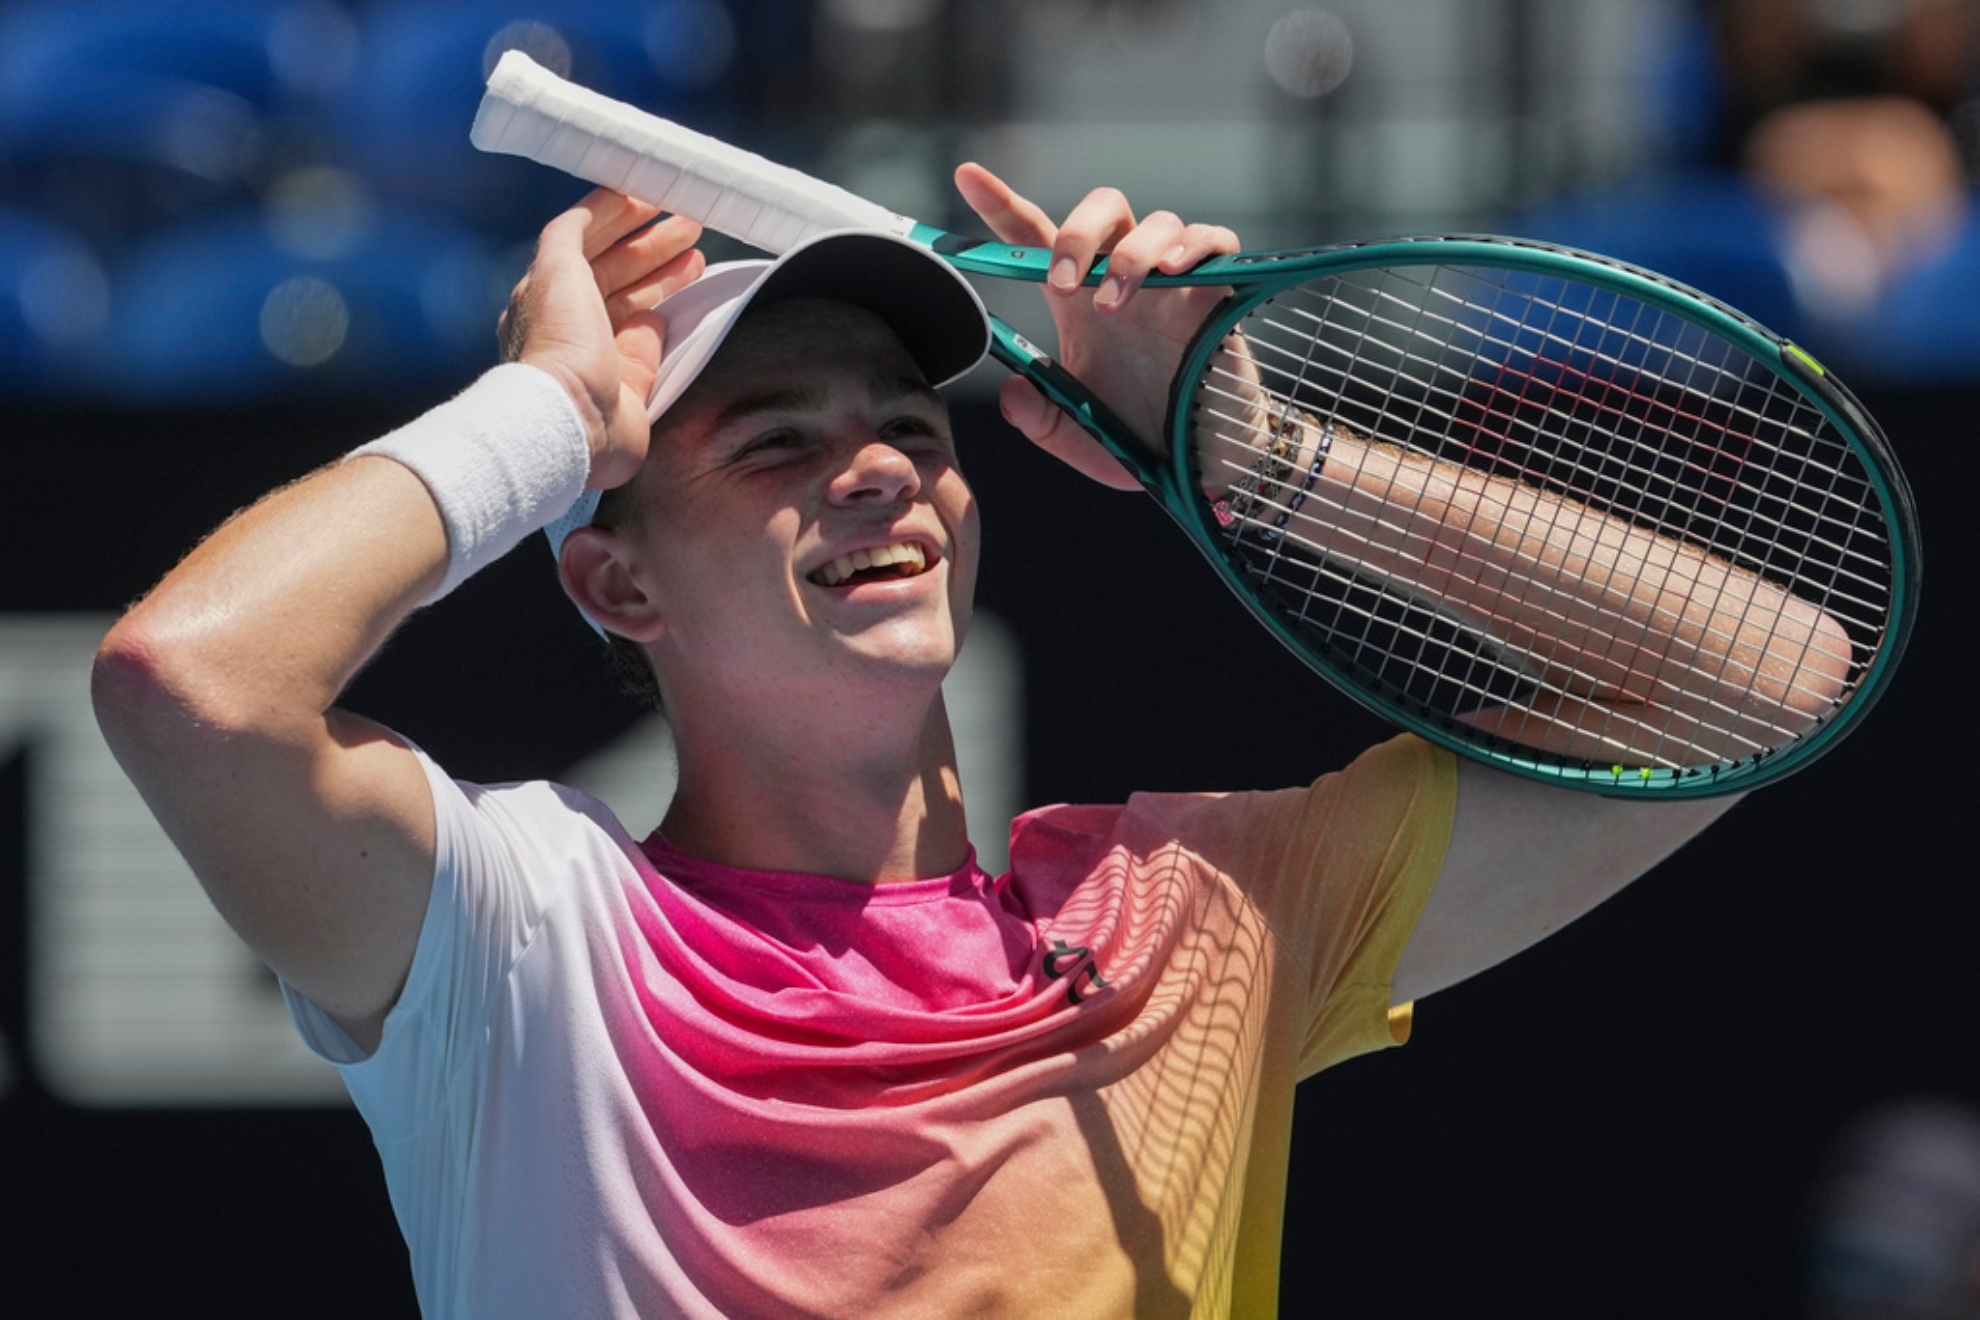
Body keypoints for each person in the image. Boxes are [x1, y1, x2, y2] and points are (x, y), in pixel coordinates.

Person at [93, 166, 1760, 1318]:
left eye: (907, 424)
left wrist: (1258, 462)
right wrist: (549, 418)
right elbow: (191, 679)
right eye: (775, 446)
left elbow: (1758, 682)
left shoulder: (1206, 916)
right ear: (617, 581)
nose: (882, 467)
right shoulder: (516, 935)